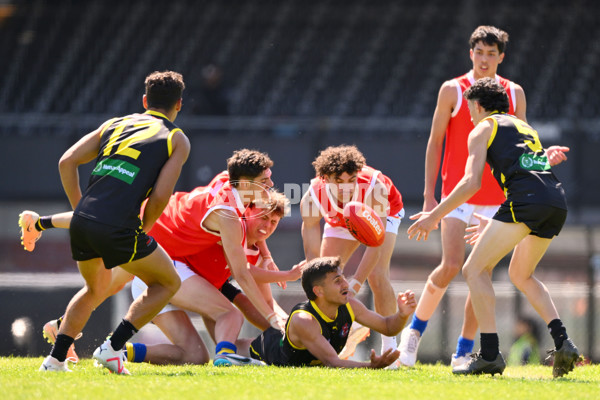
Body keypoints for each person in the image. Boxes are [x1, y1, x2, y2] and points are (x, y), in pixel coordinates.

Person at [398, 25, 569, 367]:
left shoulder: (513, 92)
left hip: (500, 197)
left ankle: (464, 350)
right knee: (451, 266)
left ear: (501, 57)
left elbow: (522, 141)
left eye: (493, 53)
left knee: (480, 271)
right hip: (457, 193)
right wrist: (430, 198)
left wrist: (541, 157)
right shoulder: (452, 89)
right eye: (480, 52)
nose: (485, 58)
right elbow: (435, 142)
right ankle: (411, 340)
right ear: (470, 53)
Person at [21, 150, 289, 367]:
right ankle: (40, 224)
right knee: (103, 251)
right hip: (156, 234)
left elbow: (254, 226)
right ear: (246, 184)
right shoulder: (230, 219)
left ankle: (66, 327)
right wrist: (280, 295)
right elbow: (242, 277)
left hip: (163, 239)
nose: (270, 187)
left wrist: (266, 255)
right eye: (266, 182)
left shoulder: (228, 181)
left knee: (109, 286)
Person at [26, 70, 191, 374]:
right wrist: (144, 227)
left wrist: (80, 210)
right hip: (119, 227)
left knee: (94, 289)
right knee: (168, 282)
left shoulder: (114, 123)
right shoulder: (175, 138)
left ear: (144, 100)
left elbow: (66, 162)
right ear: (179, 105)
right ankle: (113, 347)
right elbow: (160, 197)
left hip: (84, 222)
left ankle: (55, 360)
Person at [126, 192, 303, 366]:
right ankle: (226, 357)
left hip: (175, 283)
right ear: (246, 211)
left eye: (273, 222)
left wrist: (290, 326)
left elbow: (266, 301)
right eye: (263, 217)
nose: (268, 225)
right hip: (167, 274)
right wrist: (287, 275)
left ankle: (122, 351)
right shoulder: (231, 225)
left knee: (195, 356)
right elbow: (243, 271)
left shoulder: (256, 251)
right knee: (230, 314)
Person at [300, 145, 405, 355]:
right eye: (339, 182)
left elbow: (375, 244)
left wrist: (355, 283)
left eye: (351, 181)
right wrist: (319, 284)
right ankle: (332, 337)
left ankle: (389, 348)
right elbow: (314, 259)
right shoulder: (312, 196)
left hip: (383, 213)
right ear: (325, 179)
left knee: (376, 276)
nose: (346, 188)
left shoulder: (375, 188)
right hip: (339, 220)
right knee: (325, 280)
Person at [244, 257, 416, 368]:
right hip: (267, 349)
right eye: (337, 281)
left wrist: (402, 315)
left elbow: (387, 327)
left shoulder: (350, 306)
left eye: (343, 279)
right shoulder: (304, 320)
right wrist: (371, 367)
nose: (346, 285)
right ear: (318, 291)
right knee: (237, 349)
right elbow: (332, 362)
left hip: (296, 347)